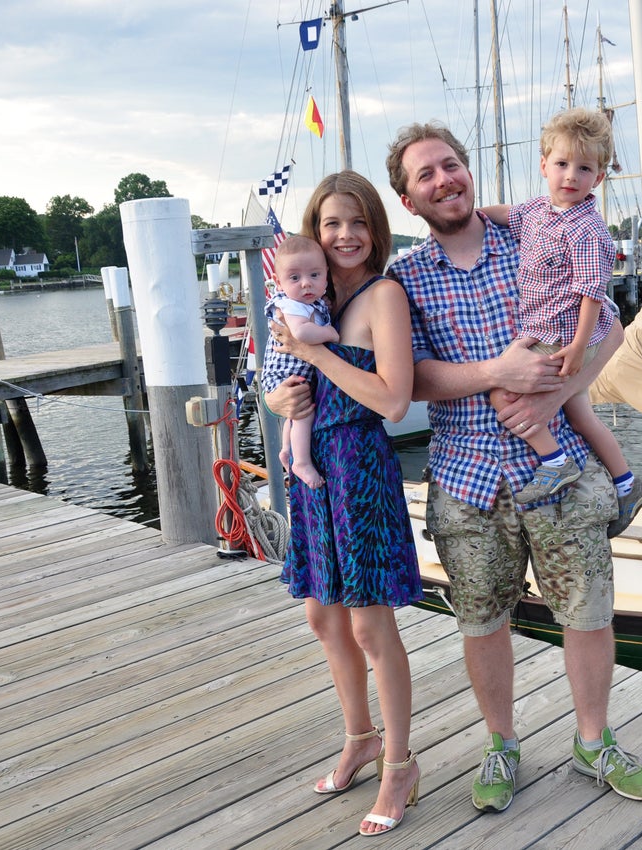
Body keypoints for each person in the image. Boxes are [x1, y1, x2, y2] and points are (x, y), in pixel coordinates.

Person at [385, 122, 642, 812]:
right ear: (408, 200)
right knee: (482, 619)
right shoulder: (405, 278)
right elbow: (408, 381)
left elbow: (611, 330)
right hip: (467, 476)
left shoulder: (541, 232)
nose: (444, 179)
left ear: (468, 171)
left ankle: (593, 742)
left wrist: (561, 396)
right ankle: (501, 744)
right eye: (426, 175)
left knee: (588, 611)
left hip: (560, 468)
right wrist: (495, 372)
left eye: (451, 165)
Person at [261, 171, 422, 837]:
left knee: (367, 626)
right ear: (314, 232)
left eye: (357, 222)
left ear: (375, 229)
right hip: (313, 473)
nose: (345, 235)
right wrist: (276, 397)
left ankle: (400, 764)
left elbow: (392, 399)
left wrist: (313, 357)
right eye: (332, 224)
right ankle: (359, 737)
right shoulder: (308, 300)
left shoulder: (382, 297)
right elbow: (275, 382)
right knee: (323, 618)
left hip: (357, 465)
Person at [479, 107, 642, 535]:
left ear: (600, 177)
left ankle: (556, 462)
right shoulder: (537, 211)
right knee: (578, 412)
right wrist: (476, 216)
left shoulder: (588, 230)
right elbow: (508, 214)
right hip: (545, 325)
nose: (570, 175)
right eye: (561, 164)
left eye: (584, 168)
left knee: (502, 391)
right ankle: (627, 483)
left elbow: (592, 293)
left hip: (562, 331)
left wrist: (576, 348)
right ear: (544, 166)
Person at [267, 235, 338, 487]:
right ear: (279, 282)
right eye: (295, 278)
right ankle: (301, 462)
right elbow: (301, 334)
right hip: (286, 373)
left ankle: (286, 449)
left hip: (292, 372)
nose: (306, 284)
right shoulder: (291, 306)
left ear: (326, 275)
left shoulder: (308, 302)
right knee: (304, 414)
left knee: (294, 416)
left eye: (315, 276)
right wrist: (330, 333)